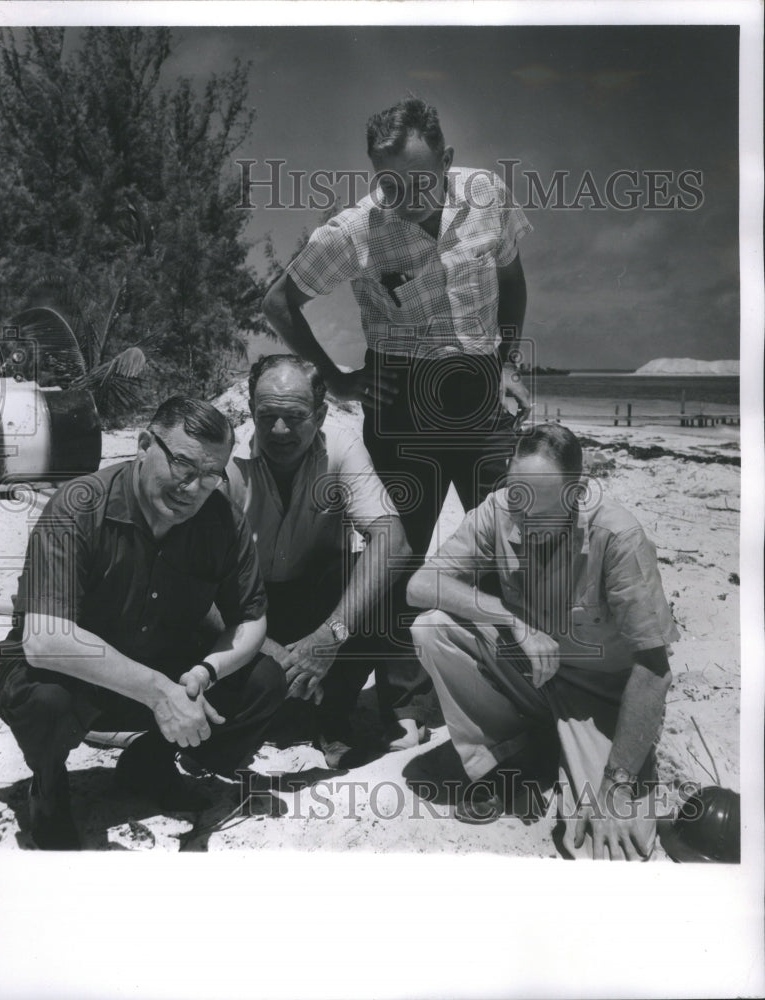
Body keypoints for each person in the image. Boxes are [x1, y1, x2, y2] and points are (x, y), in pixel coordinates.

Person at [0, 397, 286, 850]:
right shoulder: (79, 505)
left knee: (263, 679)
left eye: (210, 475)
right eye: (183, 464)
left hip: (163, 663)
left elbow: (251, 618)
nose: (193, 488)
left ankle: (150, 762)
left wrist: (204, 673)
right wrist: (159, 692)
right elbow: (45, 641)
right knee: (44, 700)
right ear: (145, 444)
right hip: (70, 677)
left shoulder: (221, 519)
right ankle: (48, 784)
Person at [263, 96, 533, 558]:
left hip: (483, 397)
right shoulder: (354, 231)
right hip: (402, 405)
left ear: (446, 161)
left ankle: (496, 630)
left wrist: (507, 365)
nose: (404, 200)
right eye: (389, 185)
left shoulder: (487, 195)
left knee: (506, 547)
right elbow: (278, 302)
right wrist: (334, 381)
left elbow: (512, 281)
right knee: (396, 558)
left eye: (419, 183)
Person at [406, 424, 679, 860]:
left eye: (538, 510)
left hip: (598, 702)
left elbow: (654, 669)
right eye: (517, 499)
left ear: (576, 495)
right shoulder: (500, 510)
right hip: (530, 677)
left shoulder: (619, 537)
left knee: (601, 846)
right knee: (431, 627)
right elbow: (420, 585)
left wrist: (616, 783)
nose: (521, 520)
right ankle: (508, 755)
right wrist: (510, 618)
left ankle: (565, 755)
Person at [225, 355, 434, 765]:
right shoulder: (229, 461)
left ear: (320, 414)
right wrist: (265, 648)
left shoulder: (340, 445)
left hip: (316, 598)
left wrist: (330, 636)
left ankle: (338, 717)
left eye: (295, 417)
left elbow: (393, 540)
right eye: (267, 416)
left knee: (386, 575)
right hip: (247, 605)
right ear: (251, 410)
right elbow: (205, 579)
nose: (279, 430)